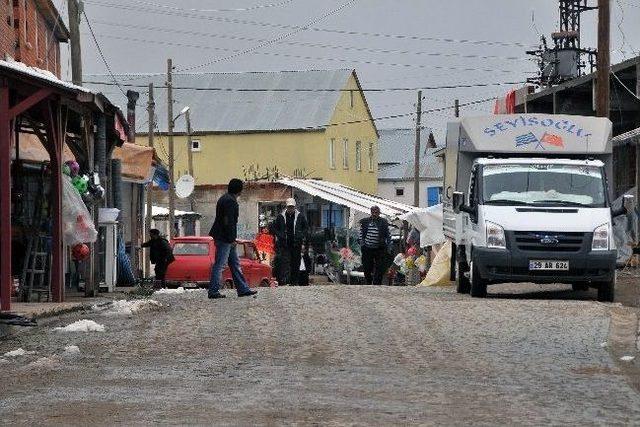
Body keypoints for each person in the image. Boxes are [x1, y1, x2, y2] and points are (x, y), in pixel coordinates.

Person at [207, 178, 258, 299]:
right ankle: (213, 291)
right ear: (239, 190)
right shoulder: (230, 201)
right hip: (225, 238)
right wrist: (231, 239)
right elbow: (228, 222)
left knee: (235, 264)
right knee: (220, 264)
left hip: (223, 236)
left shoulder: (225, 198)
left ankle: (243, 288)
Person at [273, 198, 309, 285]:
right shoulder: (280, 216)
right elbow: (274, 228)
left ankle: (294, 282)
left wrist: (301, 235)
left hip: (296, 244)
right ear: (286, 207)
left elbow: (306, 228)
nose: (290, 209)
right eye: (289, 207)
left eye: (292, 207)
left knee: (296, 263)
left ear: (294, 207)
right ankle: (284, 281)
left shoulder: (300, 216)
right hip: (284, 244)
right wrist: (280, 235)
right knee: (285, 262)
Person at [359, 206, 391, 286]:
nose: (374, 214)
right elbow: (360, 234)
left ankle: (377, 284)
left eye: (376, 212)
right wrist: (362, 243)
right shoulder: (365, 221)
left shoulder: (383, 222)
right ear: (371, 212)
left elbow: (388, 235)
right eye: (373, 212)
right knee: (367, 267)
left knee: (380, 267)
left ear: (379, 213)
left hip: (379, 248)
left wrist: (388, 246)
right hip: (367, 248)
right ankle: (368, 282)